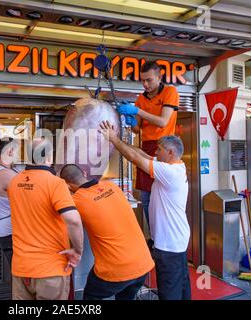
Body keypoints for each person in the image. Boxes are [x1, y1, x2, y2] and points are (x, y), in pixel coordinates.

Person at [99, 120, 191, 300]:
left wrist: (113, 140)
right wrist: (117, 138)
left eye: (159, 150)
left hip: (169, 244)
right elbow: (140, 154)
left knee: (169, 290)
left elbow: (135, 159)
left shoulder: (169, 172)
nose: (155, 153)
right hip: (177, 240)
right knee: (181, 285)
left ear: (170, 153)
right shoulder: (174, 165)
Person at [60, 164, 154, 300]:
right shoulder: (112, 187)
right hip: (143, 263)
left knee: (91, 297)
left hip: (116, 269)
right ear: (85, 174)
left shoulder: (77, 200)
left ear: (67, 186)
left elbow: (67, 221)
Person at [7, 138, 84, 300]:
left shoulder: (14, 182)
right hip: (50, 270)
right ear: (49, 157)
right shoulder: (56, 183)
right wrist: (78, 251)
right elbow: (74, 220)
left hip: (21, 269)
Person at [116, 61, 180, 234]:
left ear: (159, 78)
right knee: (146, 197)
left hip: (165, 147)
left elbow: (162, 122)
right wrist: (130, 120)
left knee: (161, 198)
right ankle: (154, 236)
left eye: (149, 80)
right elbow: (137, 129)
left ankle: (164, 234)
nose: (145, 84)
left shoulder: (170, 92)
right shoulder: (140, 99)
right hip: (146, 146)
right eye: (143, 81)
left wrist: (137, 111)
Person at [0, 137, 19, 267]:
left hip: (5, 230)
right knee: (20, 276)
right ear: (10, 151)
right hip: (9, 232)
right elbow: (29, 196)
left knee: (19, 274)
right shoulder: (5, 174)